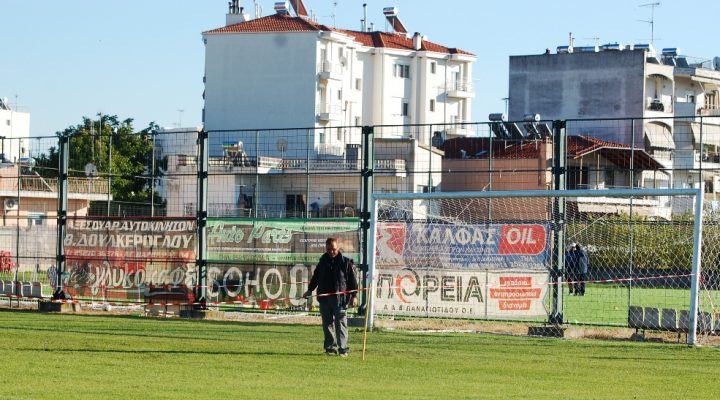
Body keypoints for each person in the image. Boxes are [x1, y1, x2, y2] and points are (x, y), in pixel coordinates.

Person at [303, 237, 358, 357]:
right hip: (324, 298)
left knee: (341, 324)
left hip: (340, 299)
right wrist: (309, 291)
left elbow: (352, 281)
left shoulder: (346, 262)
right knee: (327, 324)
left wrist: (354, 296)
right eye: (329, 249)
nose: (331, 251)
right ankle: (330, 348)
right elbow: (316, 277)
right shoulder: (322, 261)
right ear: (326, 248)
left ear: (338, 248)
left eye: (333, 249)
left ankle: (343, 349)